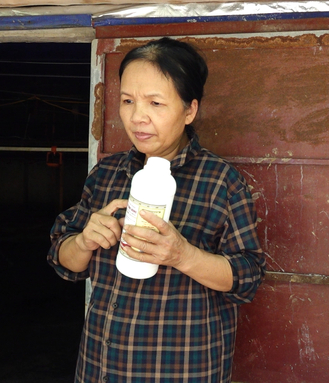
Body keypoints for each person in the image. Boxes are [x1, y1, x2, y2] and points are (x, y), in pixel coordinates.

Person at [47, 37, 266, 383]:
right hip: (100, 368)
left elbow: (248, 278)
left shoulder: (221, 182)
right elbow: (63, 261)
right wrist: (84, 241)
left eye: (156, 103)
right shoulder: (107, 175)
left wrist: (183, 255)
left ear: (189, 110)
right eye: (128, 101)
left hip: (180, 371)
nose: (137, 117)